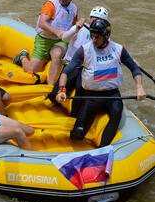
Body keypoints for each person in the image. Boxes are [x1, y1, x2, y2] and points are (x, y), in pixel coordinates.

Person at [55, 19, 146, 147]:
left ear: (106, 36)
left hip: (113, 96)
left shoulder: (118, 49)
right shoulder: (84, 50)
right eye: (91, 36)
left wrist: (139, 87)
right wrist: (62, 90)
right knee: (76, 136)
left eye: (97, 37)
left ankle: (103, 149)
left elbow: (134, 68)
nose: (93, 40)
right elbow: (67, 72)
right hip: (92, 97)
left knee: (116, 113)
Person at [47, 6, 110, 116]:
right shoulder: (80, 28)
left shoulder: (105, 36)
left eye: (98, 19)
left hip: (86, 69)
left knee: (81, 90)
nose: (94, 21)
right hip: (71, 64)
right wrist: (75, 28)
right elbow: (65, 38)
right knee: (53, 95)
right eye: (92, 18)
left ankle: (74, 114)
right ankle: (56, 101)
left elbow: (111, 52)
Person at [14, 0, 78, 85]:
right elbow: (42, 23)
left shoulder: (74, 9)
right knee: (31, 72)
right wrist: (58, 32)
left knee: (57, 54)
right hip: (43, 40)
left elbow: (73, 25)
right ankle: (22, 57)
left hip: (59, 41)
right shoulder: (51, 4)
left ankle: (50, 86)